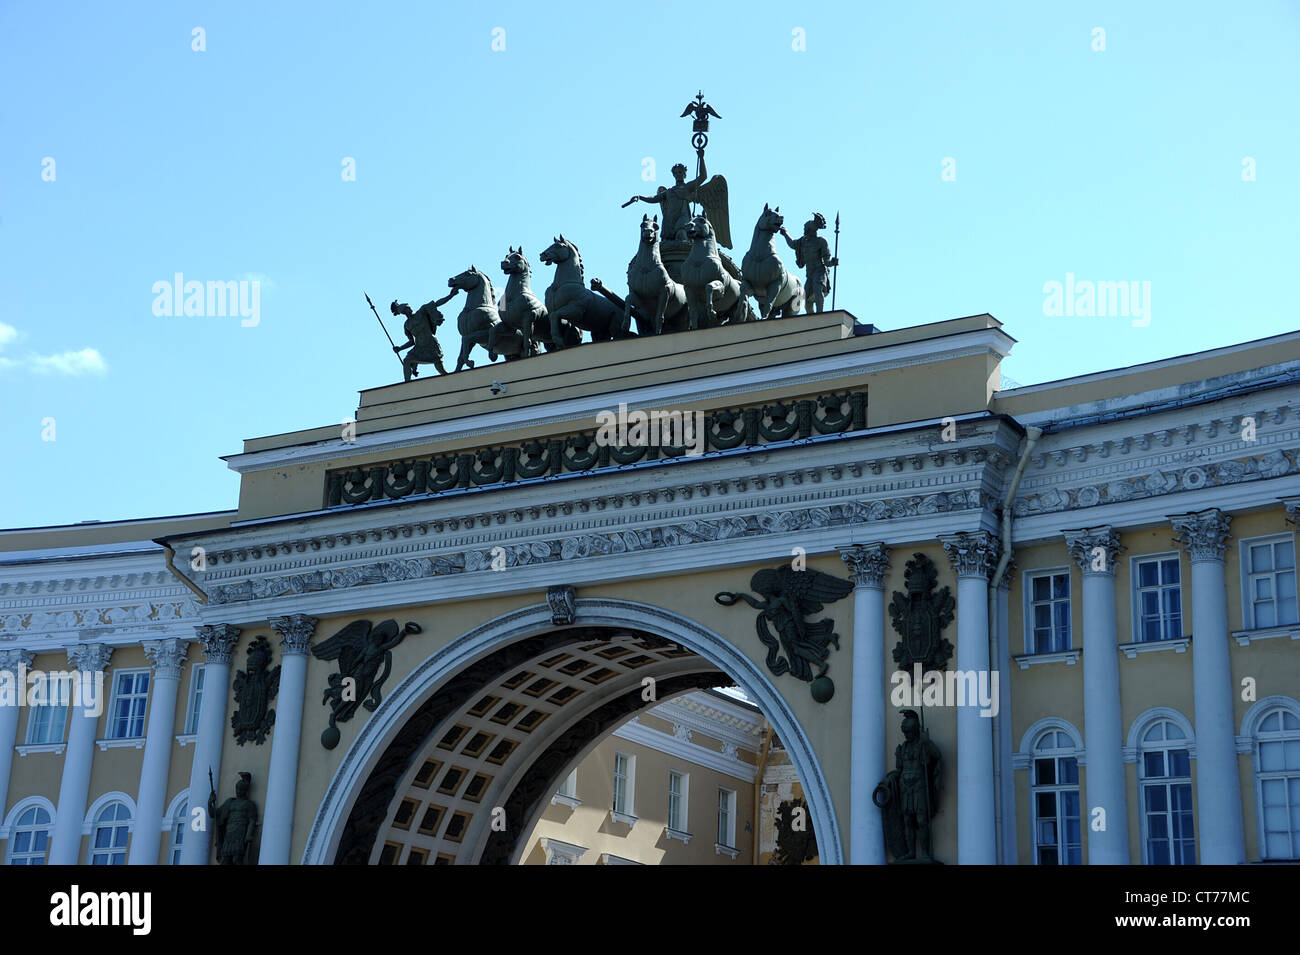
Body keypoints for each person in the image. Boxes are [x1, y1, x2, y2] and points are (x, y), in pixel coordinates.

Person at [391, 289, 457, 380]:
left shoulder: (421, 313)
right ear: (403, 312)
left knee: (441, 369)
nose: (410, 309)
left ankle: (454, 380)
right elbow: (411, 342)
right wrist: (400, 348)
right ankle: (406, 384)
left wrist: (450, 296)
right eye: (407, 308)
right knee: (406, 361)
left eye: (409, 307)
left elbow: (436, 303)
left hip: (431, 344)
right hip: (419, 347)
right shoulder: (407, 325)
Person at [779, 213, 838, 313]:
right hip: (810, 273)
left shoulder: (821, 241)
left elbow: (827, 261)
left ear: (811, 230)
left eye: (805, 228)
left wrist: (833, 262)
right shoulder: (803, 241)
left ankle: (820, 314)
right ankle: (811, 317)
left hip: (820, 272)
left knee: (817, 289)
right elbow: (792, 244)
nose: (804, 230)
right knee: (806, 297)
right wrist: (785, 234)